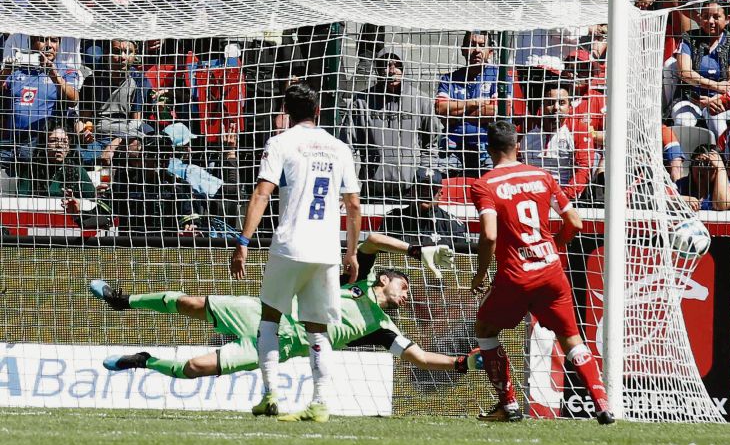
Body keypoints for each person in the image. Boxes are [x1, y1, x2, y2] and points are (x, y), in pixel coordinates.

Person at [91, 233, 477, 414]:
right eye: (404, 285)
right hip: (266, 312)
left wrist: (463, 363)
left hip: (276, 347)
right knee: (192, 303)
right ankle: (122, 300)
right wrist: (415, 250)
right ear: (383, 280)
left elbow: (422, 358)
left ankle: (143, 360)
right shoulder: (354, 281)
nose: (406, 294)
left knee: (195, 368)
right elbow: (371, 240)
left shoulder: (381, 328)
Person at [229, 82, 361, 423]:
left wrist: (243, 242)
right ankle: (319, 403)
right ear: (318, 111)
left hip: (290, 245)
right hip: (326, 249)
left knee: (270, 318)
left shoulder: (280, 142)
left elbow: (262, 194)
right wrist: (351, 253)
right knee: (317, 329)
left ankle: (270, 395)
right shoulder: (339, 147)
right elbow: (354, 205)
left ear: (285, 113)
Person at [469, 120, 613, 424]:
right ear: (517, 145)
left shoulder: (484, 184)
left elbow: (490, 236)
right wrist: (554, 247)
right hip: (551, 270)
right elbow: (574, 221)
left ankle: (507, 404)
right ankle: (602, 404)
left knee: (485, 330)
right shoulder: (542, 176)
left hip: (516, 275)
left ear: (489, 149)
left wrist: (480, 275)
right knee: (571, 337)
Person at [340, 46, 442, 198]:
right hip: (373, 189)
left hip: (411, 190)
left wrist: (424, 178)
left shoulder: (420, 100)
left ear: (404, 68)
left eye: (397, 65)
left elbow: (432, 143)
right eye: (386, 65)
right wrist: (345, 190)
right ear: (377, 70)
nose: (392, 71)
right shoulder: (361, 102)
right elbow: (346, 147)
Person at [435, 30, 508, 177]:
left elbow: (497, 111)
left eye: (482, 45)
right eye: (472, 45)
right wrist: (474, 103)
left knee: (492, 182)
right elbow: (440, 108)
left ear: (490, 51)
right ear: (463, 50)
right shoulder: (449, 79)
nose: (477, 50)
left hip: (488, 147)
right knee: (439, 179)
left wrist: (456, 113)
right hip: (453, 147)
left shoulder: (500, 77)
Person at [0, 35, 79, 169]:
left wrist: (54, 75)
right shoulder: (17, 70)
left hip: (39, 143)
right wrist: (6, 71)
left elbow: (73, 100)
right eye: (43, 40)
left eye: (54, 41)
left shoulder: (65, 71)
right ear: (31, 43)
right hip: (8, 141)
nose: (49, 45)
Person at [670, 1, 730, 139]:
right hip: (690, 98)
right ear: (699, 18)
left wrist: (717, 99)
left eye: (716, 17)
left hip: (720, 101)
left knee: (716, 119)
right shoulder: (688, 38)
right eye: (705, 16)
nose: (710, 21)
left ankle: (722, 157)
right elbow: (684, 73)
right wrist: (715, 86)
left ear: (727, 19)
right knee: (683, 120)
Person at [76, 39, 153, 166]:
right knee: (77, 157)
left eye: (128, 52)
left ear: (135, 55)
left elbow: (136, 122)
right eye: (117, 52)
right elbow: (84, 118)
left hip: (126, 139)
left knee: (136, 150)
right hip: (97, 138)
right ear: (106, 54)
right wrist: (83, 133)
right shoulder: (93, 80)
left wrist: (114, 144)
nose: (122, 57)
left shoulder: (139, 80)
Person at [518, 83, 594, 201]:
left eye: (562, 103)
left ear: (569, 106)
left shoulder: (579, 129)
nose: (556, 108)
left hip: (564, 198)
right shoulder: (526, 127)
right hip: (528, 196)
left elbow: (583, 169)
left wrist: (562, 197)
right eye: (550, 103)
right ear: (542, 105)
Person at [378, 168, 469, 249]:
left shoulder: (452, 225)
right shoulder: (392, 220)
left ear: (440, 194)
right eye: (421, 189)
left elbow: (465, 261)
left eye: (431, 190)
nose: (425, 194)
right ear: (412, 191)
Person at [676, 144, 730, 211]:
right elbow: (664, 198)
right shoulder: (681, 184)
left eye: (707, 164)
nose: (701, 168)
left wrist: (721, 169)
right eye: (697, 163)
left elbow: (722, 204)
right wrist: (680, 200)